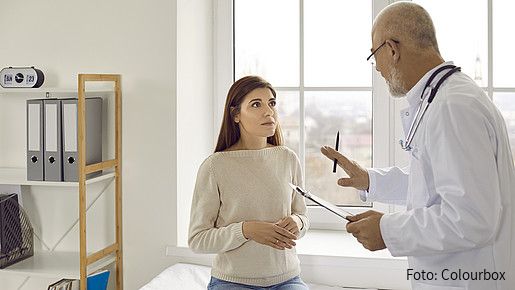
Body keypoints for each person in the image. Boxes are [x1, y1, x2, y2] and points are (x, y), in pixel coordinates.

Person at [321, 2, 515, 290]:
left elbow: (472, 217)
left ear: (392, 49)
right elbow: (435, 185)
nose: (377, 68)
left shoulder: (453, 106)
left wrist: (387, 230)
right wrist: (370, 180)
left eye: (374, 55)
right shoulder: (443, 98)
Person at [188, 76, 310, 289]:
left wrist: (298, 223)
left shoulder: (288, 158)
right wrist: (245, 230)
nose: (268, 112)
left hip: (287, 279)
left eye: (271, 103)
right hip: (232, 282)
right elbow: (198, 239)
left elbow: (302, 216)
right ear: (236, 115)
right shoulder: (215, 166)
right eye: (256, 104)